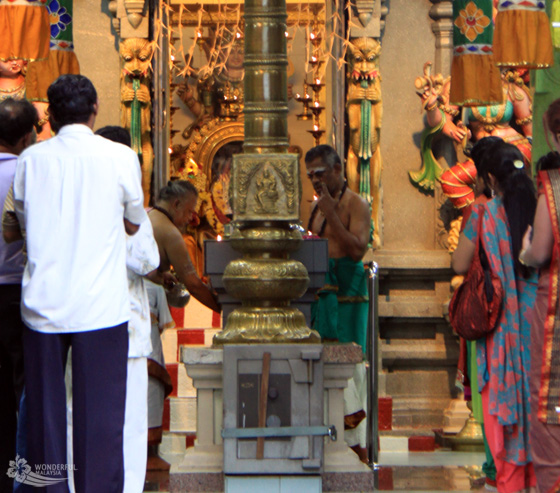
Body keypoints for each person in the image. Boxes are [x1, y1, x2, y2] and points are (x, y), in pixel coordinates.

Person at [9, 74, 147, 492]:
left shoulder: (31, 160)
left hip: (43, 304)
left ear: (48, 116)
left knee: (46, 419)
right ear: (95, 110)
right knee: (100, 419)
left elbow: (14, 226)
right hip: (101, 305)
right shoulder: (120, 156)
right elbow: (133, 222)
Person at [452, 141, 537, 493]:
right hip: (536, 327)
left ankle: (507, 481)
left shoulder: (482, 215)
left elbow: (458, 263)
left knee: (501, 424)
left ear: (489, 177)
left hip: (500, 331)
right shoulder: (540, 212)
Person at [304, 144, 371, 463]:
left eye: (319, 173)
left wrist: (332, 214)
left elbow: (358, 250)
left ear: (337, 170)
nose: (315, 181)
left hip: (348, 293)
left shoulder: (356, 204)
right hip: (323, 294)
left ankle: (356, 447)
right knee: (325, 365)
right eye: (309, 176)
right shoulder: (317, 207)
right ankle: (330, 442)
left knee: (349, 367)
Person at [517, 149, 560, 493]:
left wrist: (525, 252)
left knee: (550, 413)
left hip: (555, 318)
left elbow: (541, 251)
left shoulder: (554, 188)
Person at [0, 98, 36, 493]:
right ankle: (21, 477)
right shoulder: (28, 172)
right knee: (22, 388)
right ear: (27, 136)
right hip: (16, 291)